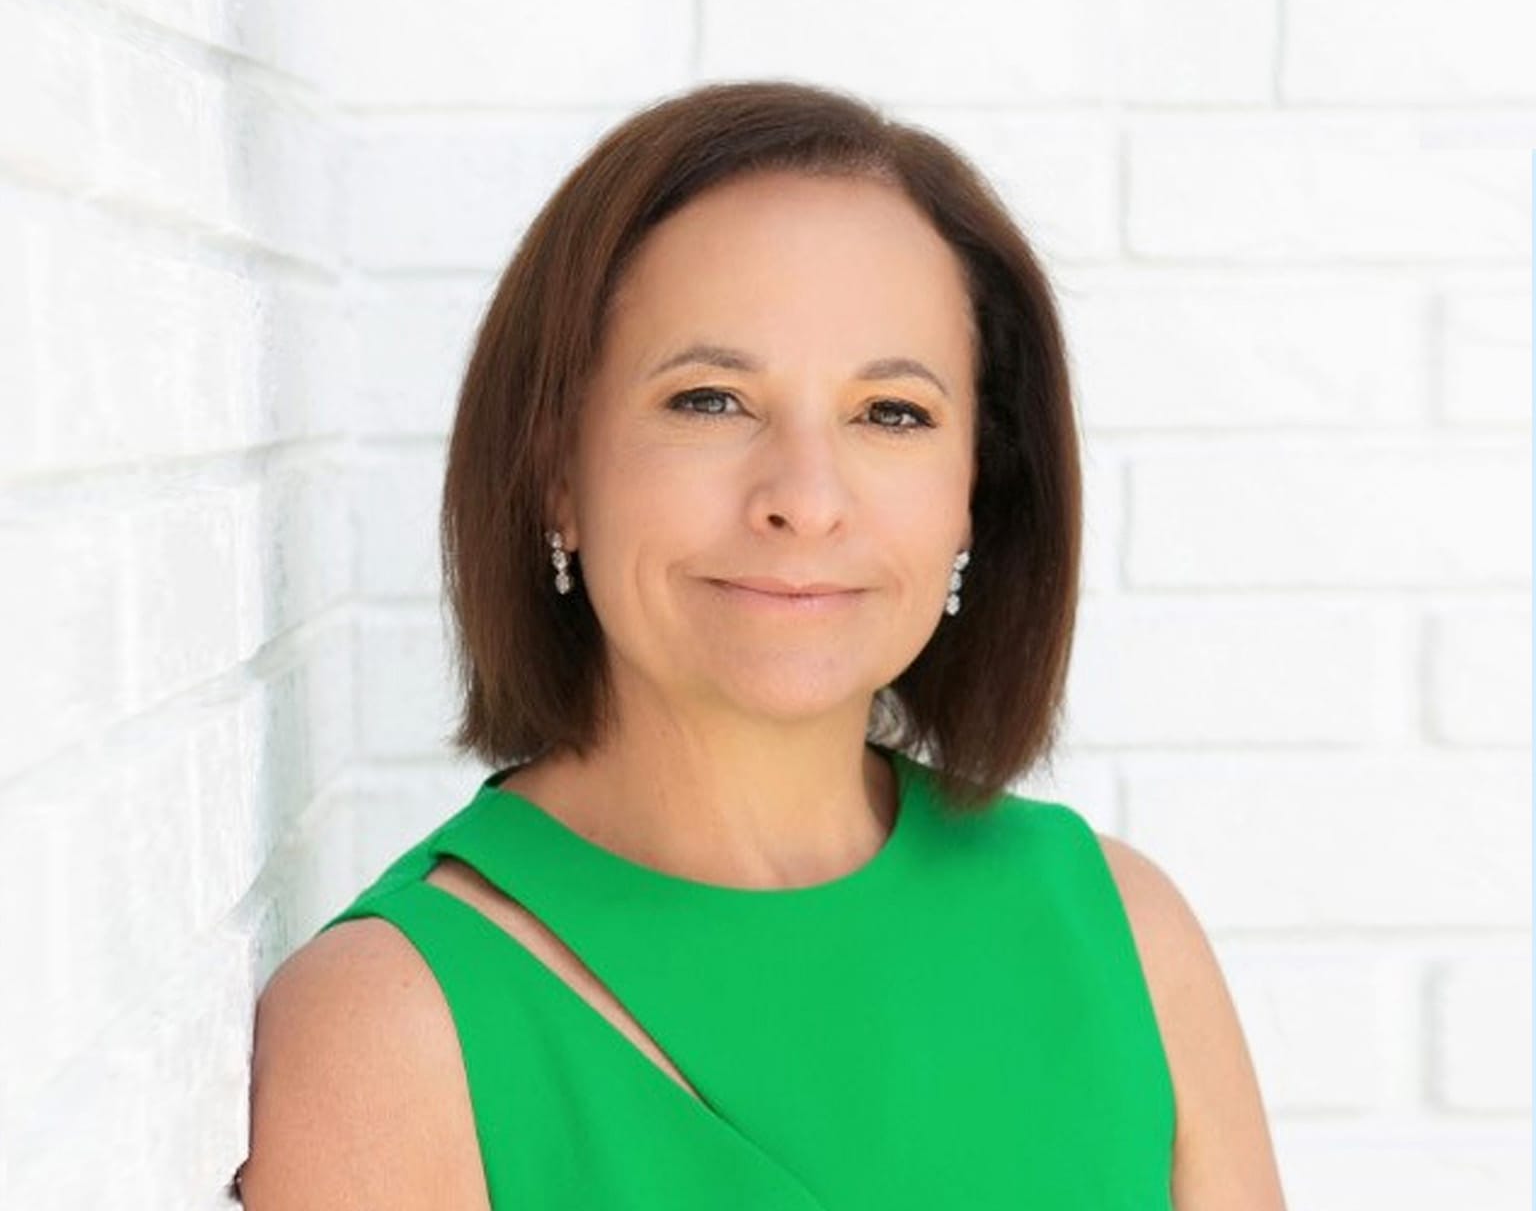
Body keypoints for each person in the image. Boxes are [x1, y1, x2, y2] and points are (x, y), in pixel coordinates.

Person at [230, 79, 1288, 1209]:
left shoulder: (1120, 933)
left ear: (976, 493)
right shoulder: (394, 1024)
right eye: (710, 399)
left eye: (891, 414)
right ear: (555, 471)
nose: (806, 499)